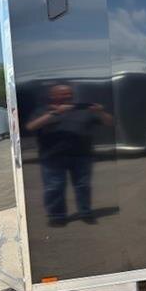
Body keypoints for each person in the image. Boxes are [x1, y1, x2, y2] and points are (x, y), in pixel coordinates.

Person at [26, 84, 113, 227]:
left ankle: (85, 213)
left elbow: (110, 122)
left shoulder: (84, 110)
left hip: (82, 156)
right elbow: (31, 127)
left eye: (69, 93)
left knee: (83, 186)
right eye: (63, 94)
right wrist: (56, 113)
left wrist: (101, 112)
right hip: (52, 157)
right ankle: (57, 216)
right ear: (52, 96)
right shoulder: (43, 110)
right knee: (54, 187)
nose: (68, 96)